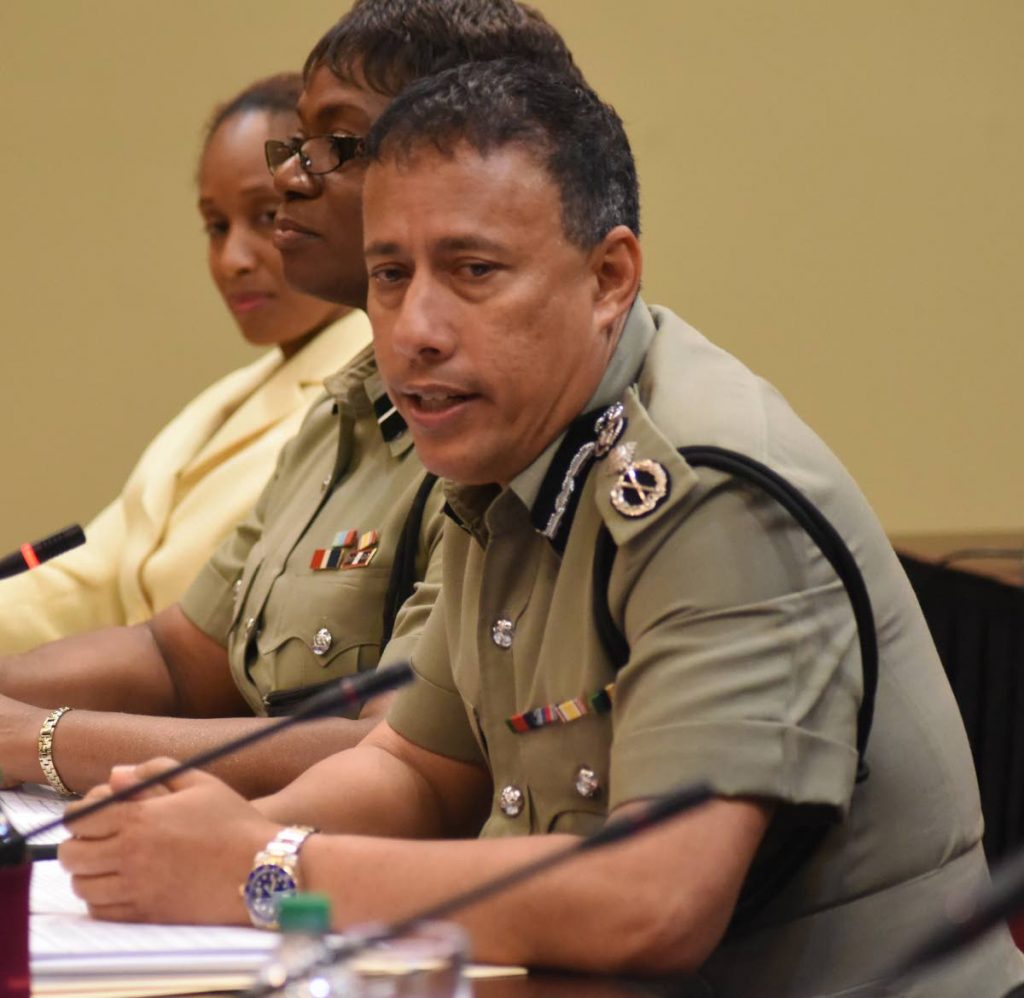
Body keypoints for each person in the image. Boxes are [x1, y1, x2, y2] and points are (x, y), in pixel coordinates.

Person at [60, 60, 1024, 996]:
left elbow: (653, 899)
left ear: (609, 278)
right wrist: (208, 831)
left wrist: (263, 867)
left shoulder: (703, 489)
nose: (414, 328)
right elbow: (417, 769)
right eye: (391, 274)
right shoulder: (507, 451)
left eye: (473, 270)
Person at [0, 1, 579, 801]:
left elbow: (394, 755)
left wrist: (38, 739)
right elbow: (179, 657)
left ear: (468, 156)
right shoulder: (348, 405)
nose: (290, 177)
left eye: (335, 145)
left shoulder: (516, 418)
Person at [0, 74, 363, 656]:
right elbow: (90, 575)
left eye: (267, 216)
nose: (232, 259)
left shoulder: (381, 387)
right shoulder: (225, 400)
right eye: (216, 226)